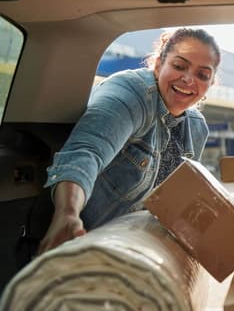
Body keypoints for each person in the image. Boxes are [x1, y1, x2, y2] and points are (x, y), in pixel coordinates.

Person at [38, 28, 221, 253]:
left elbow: (184, 201)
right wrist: (67, 213)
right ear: (158, 64)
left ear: (211, 83)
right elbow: (87, 151)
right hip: (93, 243)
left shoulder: (196, 126)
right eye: (179, 66)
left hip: (146, 248)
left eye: (202, 74)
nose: (188, 79)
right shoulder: (130, 94)